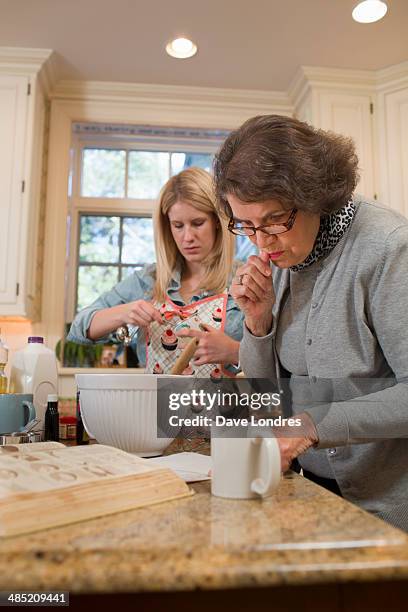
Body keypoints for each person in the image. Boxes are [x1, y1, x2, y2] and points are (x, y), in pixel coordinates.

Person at [214, 114, 408, 531]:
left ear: (316, 194)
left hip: (391, 508)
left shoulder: (389, 248)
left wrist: (312, 425)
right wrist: (258, 322)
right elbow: (269, 397)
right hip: (315, 493)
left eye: (274, 219)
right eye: (245, 224)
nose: (262, 241)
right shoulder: (284, 258)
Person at [68, 167, 243, 377]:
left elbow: (276, 362)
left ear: (217, 221)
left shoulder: (243, 280)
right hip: (156, 408)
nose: (187, 237)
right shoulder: (148, 280)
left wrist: (234, 352)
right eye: (178, 225)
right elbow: (80, 328)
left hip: (225, 408)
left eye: (197, 223)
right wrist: (125, 312)